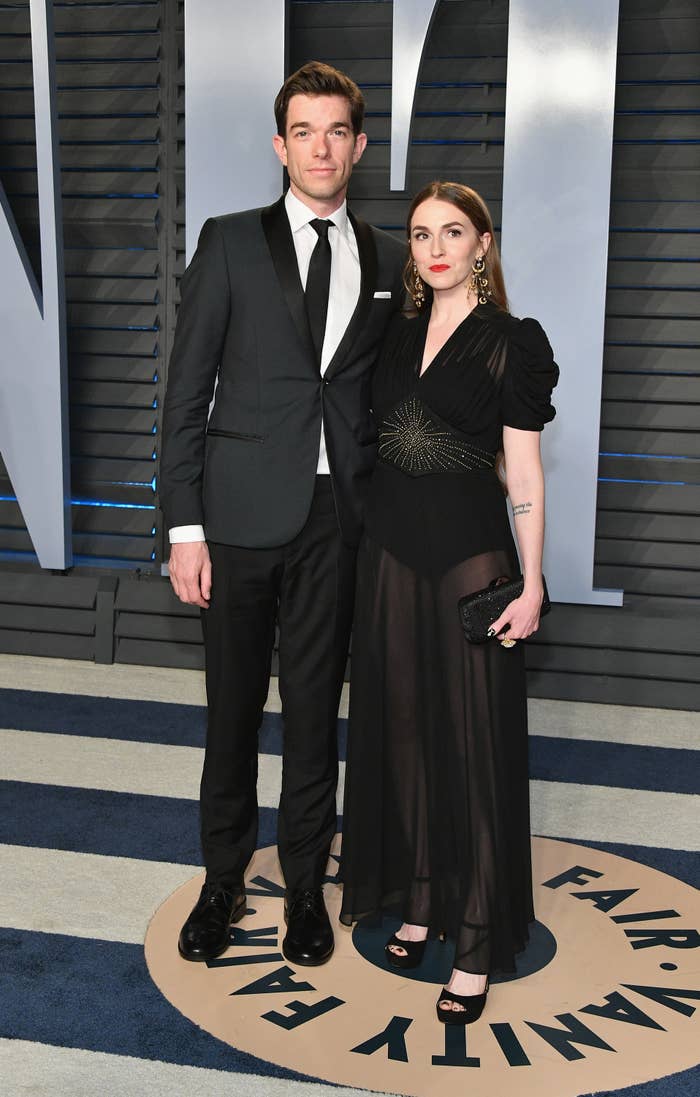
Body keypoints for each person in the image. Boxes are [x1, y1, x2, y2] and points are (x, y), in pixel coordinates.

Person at [159, 61, 406, 967]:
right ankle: (222, 881)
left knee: (313, 714)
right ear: (280, 145)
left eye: (337, 131)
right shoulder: (228, 242)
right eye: (304, 131)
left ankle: (306, 886)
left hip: (337, 522)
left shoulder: (384, 257)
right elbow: (186, 395)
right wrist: (182, 526)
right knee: (231, 713)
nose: (321, 147)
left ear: (359, 145)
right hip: (233, 522)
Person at [339, 181, 558, 1023]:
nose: (434, 246)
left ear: (482, 245)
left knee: (470, 747)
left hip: (470, 559)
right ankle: (423, 895)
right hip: (388, 558)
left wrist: (532, 582)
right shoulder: (393, 336)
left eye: (452, 232)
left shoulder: (510, 343)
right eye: (421, 233)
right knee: (401, 735)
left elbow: (525, 471)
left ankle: (473, 934)